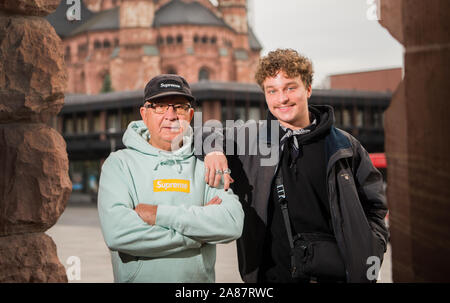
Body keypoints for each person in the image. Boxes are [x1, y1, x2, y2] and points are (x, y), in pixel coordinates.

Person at [203, 49, 389, 283]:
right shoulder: (250, 139)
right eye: (272, 91)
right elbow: (202, 132)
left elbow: (375, 208)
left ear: (308, 89)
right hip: (270, 278)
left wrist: (371, 251)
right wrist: (215, 150)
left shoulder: (344, 145)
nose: (282, 99)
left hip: (336, 276)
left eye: (290, 88)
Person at [97, 74, 244, 283]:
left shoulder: (207, 163)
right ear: (144, 114)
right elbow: (117, 233)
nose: (171, 115)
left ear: (190, 114)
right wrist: (199, 234)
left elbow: (231, 223)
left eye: (180, 107)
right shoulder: (119, 164)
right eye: (160, 106)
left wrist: (158, 214)